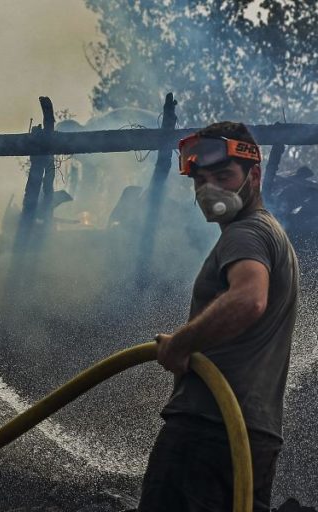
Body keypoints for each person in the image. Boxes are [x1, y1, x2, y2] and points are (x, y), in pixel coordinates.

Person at [138, 122, 299, 511]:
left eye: (223, 176)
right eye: (201, 180)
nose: (210, 189)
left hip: (207, 430)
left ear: (254, 175)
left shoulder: (245, 233)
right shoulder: (270, 233)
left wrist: (182, 343)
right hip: (248, 437)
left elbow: (248, 299)